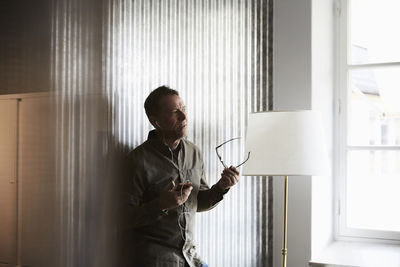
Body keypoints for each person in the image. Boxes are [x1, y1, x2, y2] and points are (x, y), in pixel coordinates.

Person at [123, 86, 240, 267]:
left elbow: (197, 203)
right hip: (156, 260)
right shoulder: (137, 161)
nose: (184, 117)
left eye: (184, 109)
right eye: (175, 112)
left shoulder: (194, 152)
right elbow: (124, 219)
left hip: (191, 257)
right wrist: (161, 204)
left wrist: (221, 187)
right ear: (156, 121)